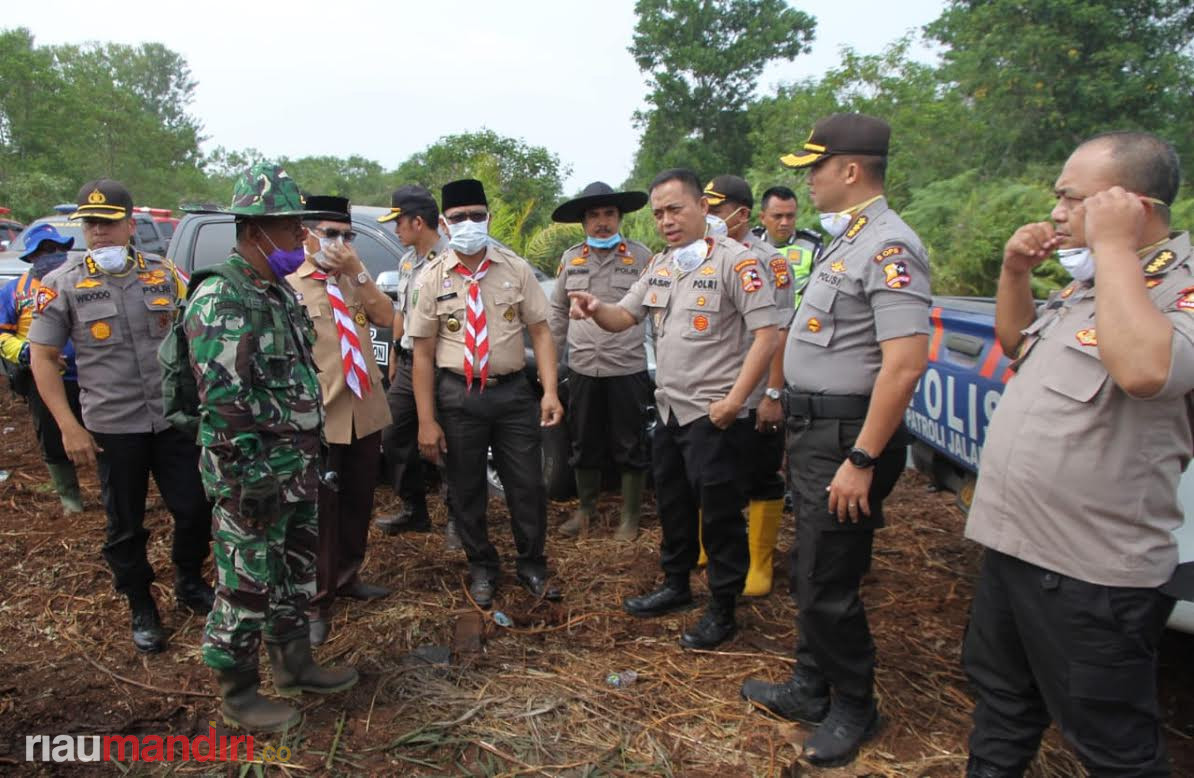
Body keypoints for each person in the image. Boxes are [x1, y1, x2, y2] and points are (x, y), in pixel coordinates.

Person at [961, 132, 1191, 778]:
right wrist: (1015, 273)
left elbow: (1146, 368)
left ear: (1134, 208)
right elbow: (1014, 345)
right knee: (1003, 708)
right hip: (1016, 547)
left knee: (1115, 748)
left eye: (1072, 198)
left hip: (1093, 574)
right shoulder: (1089, 282)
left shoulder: (1176, 286)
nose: (1056, 212)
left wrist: (1115, 245)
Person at [739, 114, 930, 768]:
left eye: (814, 168)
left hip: (851, 434)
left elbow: (904, 363)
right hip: (817, 426)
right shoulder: (844, 239)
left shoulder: (888, 246)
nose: (807, 180)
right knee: (812, 565)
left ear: (850, 170)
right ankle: (810, 683)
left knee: (830, 579)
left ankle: (854, 701)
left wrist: (862, 458)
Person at [568, 168, 777, 649]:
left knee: (721, 517)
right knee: (674, 506)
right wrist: (592, 305)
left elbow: (768, 335)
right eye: (659, 212)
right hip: (670, 411)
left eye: (675, 209)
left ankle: (722, 609)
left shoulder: (737, 262)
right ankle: (676, 585)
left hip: (715, 416)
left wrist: (735, 401)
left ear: (703, 208)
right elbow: (623, 317)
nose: (665, 220)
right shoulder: (661, 265)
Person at [182, 164, 357, 732]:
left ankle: (294, 665)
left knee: (294, 574)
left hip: (297, 466)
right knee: (246, 582)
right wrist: (250, 476)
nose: (299, 242)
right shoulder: (222, 297)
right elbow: (224, 401)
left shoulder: (275, 291)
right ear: (255, 230)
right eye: (289, 231)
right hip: (251, 476)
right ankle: (238, 693)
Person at [28, 179, 214, 654]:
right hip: (114, 426)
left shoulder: (165, 274)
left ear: (130, 225)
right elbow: (43, 358)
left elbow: (196, 336)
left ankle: (189, 579)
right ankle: (141, 603)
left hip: (172, 420)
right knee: (125, 524)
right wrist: (70, 427)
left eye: (108, 223)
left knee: (195, 508)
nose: (99, 233)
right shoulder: (60, 286)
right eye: (91, 224)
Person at [408, 179, 564, 609]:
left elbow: (541, 332)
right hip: (459, 397)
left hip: (513, 394)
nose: (469, 224)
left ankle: (532, 564)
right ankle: (482, 567)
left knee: (527, 484)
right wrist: (426, 420)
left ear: (489, 218)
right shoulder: (430, 278)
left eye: (478, 215)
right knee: (466, 487)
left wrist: (549, 390)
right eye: (458, 217)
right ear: (444, 223)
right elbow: (421, 354)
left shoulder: (515, 269)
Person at [288, 195, 394, 646]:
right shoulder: (290, 285)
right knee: (319, 513)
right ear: (306, 234)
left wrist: (358, 271)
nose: (340, 242)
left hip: (364, 410)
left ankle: (348, 575)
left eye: (346, 235)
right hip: (320, 414)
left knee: (357, 502)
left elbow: (391, 319)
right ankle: (315, 600)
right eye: (330, 233)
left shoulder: (353, 281)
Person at [547, 181, 653, 540]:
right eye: (594, 216)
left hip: (627, 366)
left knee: (630, 443)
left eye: (609, 214)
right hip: (582, 368)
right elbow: (558, 313)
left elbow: (656, 311)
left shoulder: (641, 257)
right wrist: (551, 361)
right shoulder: (570, 259)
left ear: (620, 217)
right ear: (584, 223)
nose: (602, 222)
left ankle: (630, 517)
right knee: (583, 441)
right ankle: (586, 511)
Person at [704, 175, 791, 596]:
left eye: (717, 210)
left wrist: (773, 393)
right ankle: (713, 545)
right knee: (713, 473)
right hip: (715, 387)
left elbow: (780, 332)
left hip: (755, 390)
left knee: (761, 474)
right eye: (705, 208)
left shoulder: (770, 261)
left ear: (743, 214)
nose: (710, 217)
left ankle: (760, 562)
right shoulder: (699, 254)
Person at [374, 186, 462, 549]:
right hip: (410, 363)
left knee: (451, 441)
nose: (396, 230)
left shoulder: (455, 260)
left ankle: (459, 517)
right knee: (393, 433)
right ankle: (414, 508)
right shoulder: (408, 261)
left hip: (443, 364)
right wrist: (395, 352)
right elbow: (402, 311)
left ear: (418, 221)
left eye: (398, 223)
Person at [0, 224, 84, 514]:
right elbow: (1, 334)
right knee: (52, 435)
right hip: (45, 377)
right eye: (44, 251)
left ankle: (115, 489)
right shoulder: (16, 291)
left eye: (58, 249)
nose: (52, 255)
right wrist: (24, 352)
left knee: (106, 433)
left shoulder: (82, 281)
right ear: (32, 257)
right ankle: (69, 497)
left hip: (91, 374)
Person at [754, 185, 822, 310]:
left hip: (797, 323)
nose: (784, 223)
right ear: (762, 218)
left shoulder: (812, 246)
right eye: (777, 216)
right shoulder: (749, 244)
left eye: (790, 216)